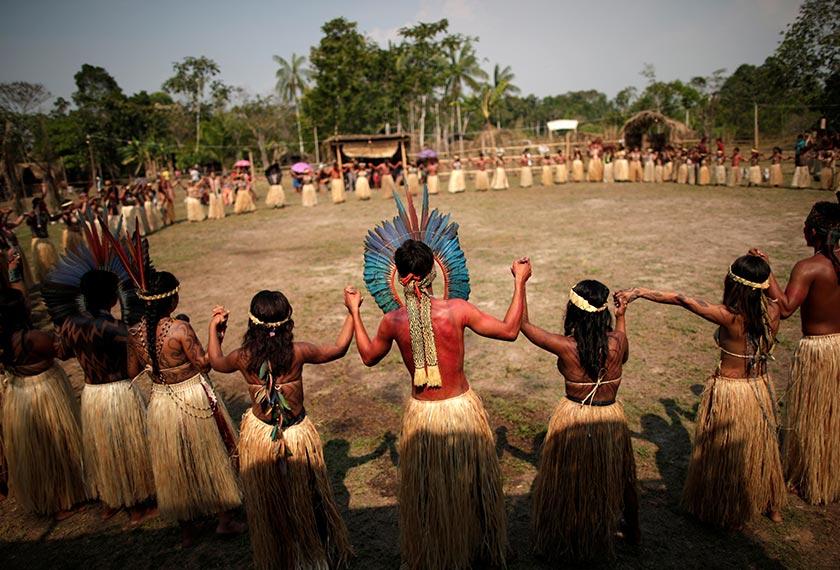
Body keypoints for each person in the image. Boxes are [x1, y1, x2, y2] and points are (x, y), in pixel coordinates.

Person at [344, 240, 531, 570]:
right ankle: (485, 545)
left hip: (424, 417)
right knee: (475, 483)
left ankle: (438, 552)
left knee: (428, 491)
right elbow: (510, 330)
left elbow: (368, 357)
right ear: (434, 272)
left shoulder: (392, 321)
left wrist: (355, 313)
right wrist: (519, 281)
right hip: (461, 410)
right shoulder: (457, 309)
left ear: (399, 275)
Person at [616, 254, 785, 529]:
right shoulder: (774, 311)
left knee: (727, 452)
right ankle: (772, 506)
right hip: (760, 388)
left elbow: (681, 299)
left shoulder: (728, 316)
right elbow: (776, 297)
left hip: (732, 394)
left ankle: (728, 511)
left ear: (734, 285)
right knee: (761, 447)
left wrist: (640, 292)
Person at [207, 290, 354, 570]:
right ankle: (311, 553)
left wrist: (214, 328)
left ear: (253, 324)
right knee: (307, 500)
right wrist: (352, 312)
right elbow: (339, 349)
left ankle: (284, 556)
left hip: (260, 438)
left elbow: (215, 361)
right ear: (288, 322)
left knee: (272, 502)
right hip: (296, 437)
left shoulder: (242, 357)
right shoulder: (298, 352)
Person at [521, 280, 638, 561]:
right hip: (610, 417)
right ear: (603, 312)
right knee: (623, 477)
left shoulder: (565, 346)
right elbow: (625, 354)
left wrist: (520, 281)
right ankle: (633, 531)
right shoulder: (617, 342)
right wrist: (622, 317)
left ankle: (562, 536)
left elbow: (523, 325)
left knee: (566, 480)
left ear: (574, 312)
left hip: (573, 418)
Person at [126, 271, 243, 547]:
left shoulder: (134, 333)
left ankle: (188, 531)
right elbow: (204, 364)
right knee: (210, 453)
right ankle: (224, 520)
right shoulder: (180, 329)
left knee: (174, 464)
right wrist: (216, 331)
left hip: (161, 402)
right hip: (192, 397)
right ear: (173, 300)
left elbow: (131, 371)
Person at [753, 201, 840, 505]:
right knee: (833, 415)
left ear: (813, 231)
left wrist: (767, 273)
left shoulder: (810, 267)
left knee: (816, 416)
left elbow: (787, 307)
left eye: (805, 225)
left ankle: (811, 479)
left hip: (819, 350)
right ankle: (827, 475)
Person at [53, 269, 156, 524]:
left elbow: (62, 352)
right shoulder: (112, 327)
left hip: (91, 394)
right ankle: (137, 508)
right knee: (124, 447)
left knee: (103, 448)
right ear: (112, 297)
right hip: (117, 392)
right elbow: (141, 353)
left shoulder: (70, 323)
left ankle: (109, 502)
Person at [0, 288, 87, 518]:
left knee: (38, 450)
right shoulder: (31, 338)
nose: (30, 306)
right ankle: (64, 500)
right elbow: (62, 352)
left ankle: (50, 498)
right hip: (43, 392)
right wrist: (60, 329)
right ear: (20, 311)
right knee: (54, 444)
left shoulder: (5, 340)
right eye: (26, 304)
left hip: (19, 393)